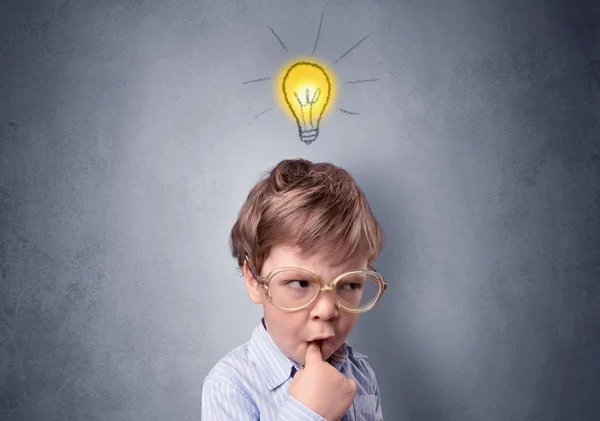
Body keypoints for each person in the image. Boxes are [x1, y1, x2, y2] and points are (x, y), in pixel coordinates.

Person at [201, 158, 387, 420]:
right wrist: (309, 414)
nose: (327, 310)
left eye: (349, 284)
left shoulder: (361, 373)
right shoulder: (231, 386)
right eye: (300, 283)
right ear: (254, 281)